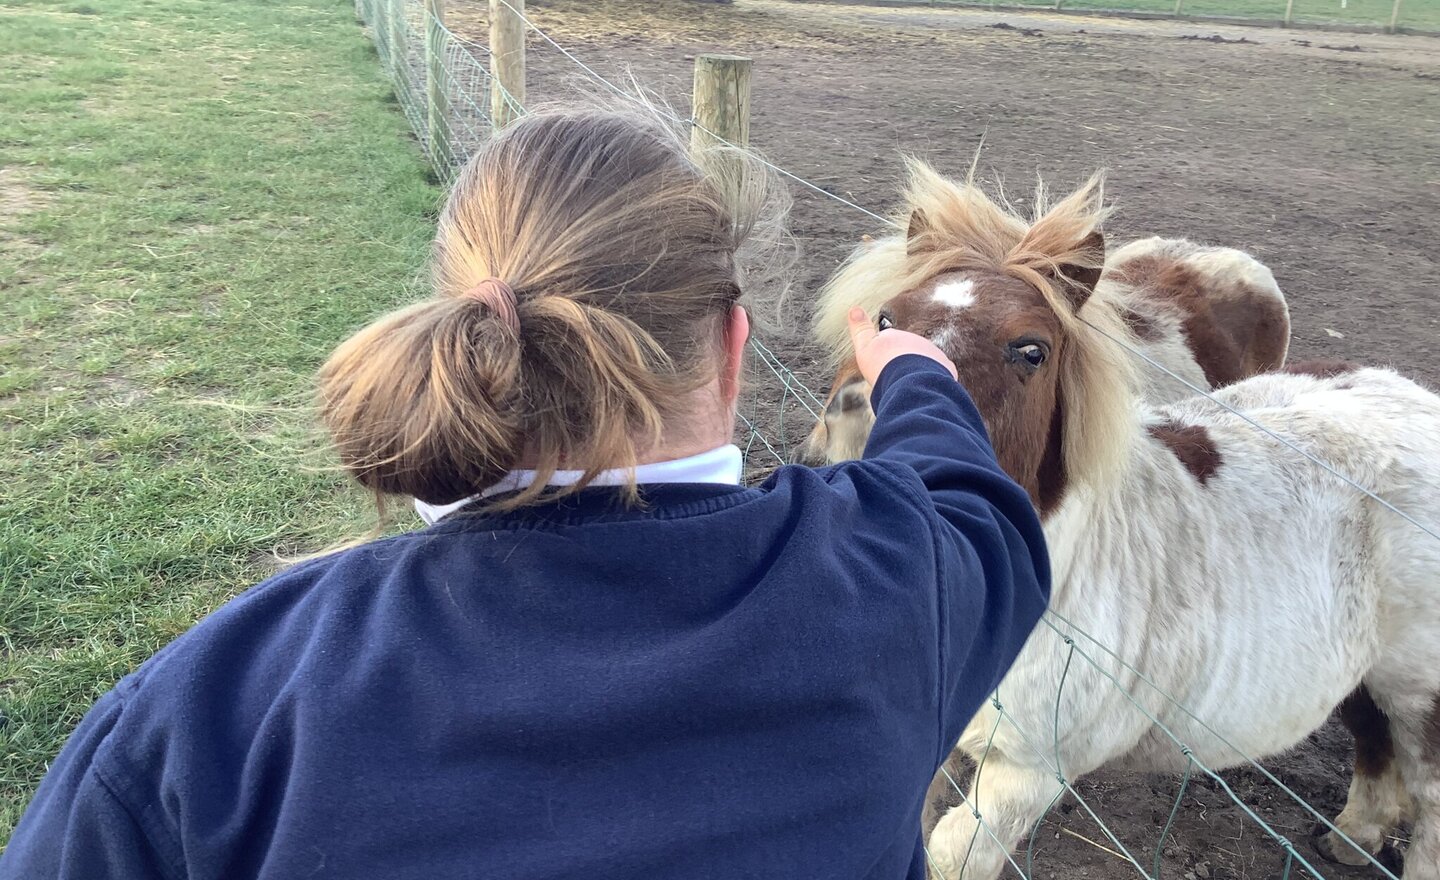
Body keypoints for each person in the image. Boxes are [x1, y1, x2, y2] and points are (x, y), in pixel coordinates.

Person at [1, 105, 1050, 880]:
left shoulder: (218, 704)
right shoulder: (900, 586)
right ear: (733, 349)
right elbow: (970, 496)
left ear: (462, 339)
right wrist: (914, 372)